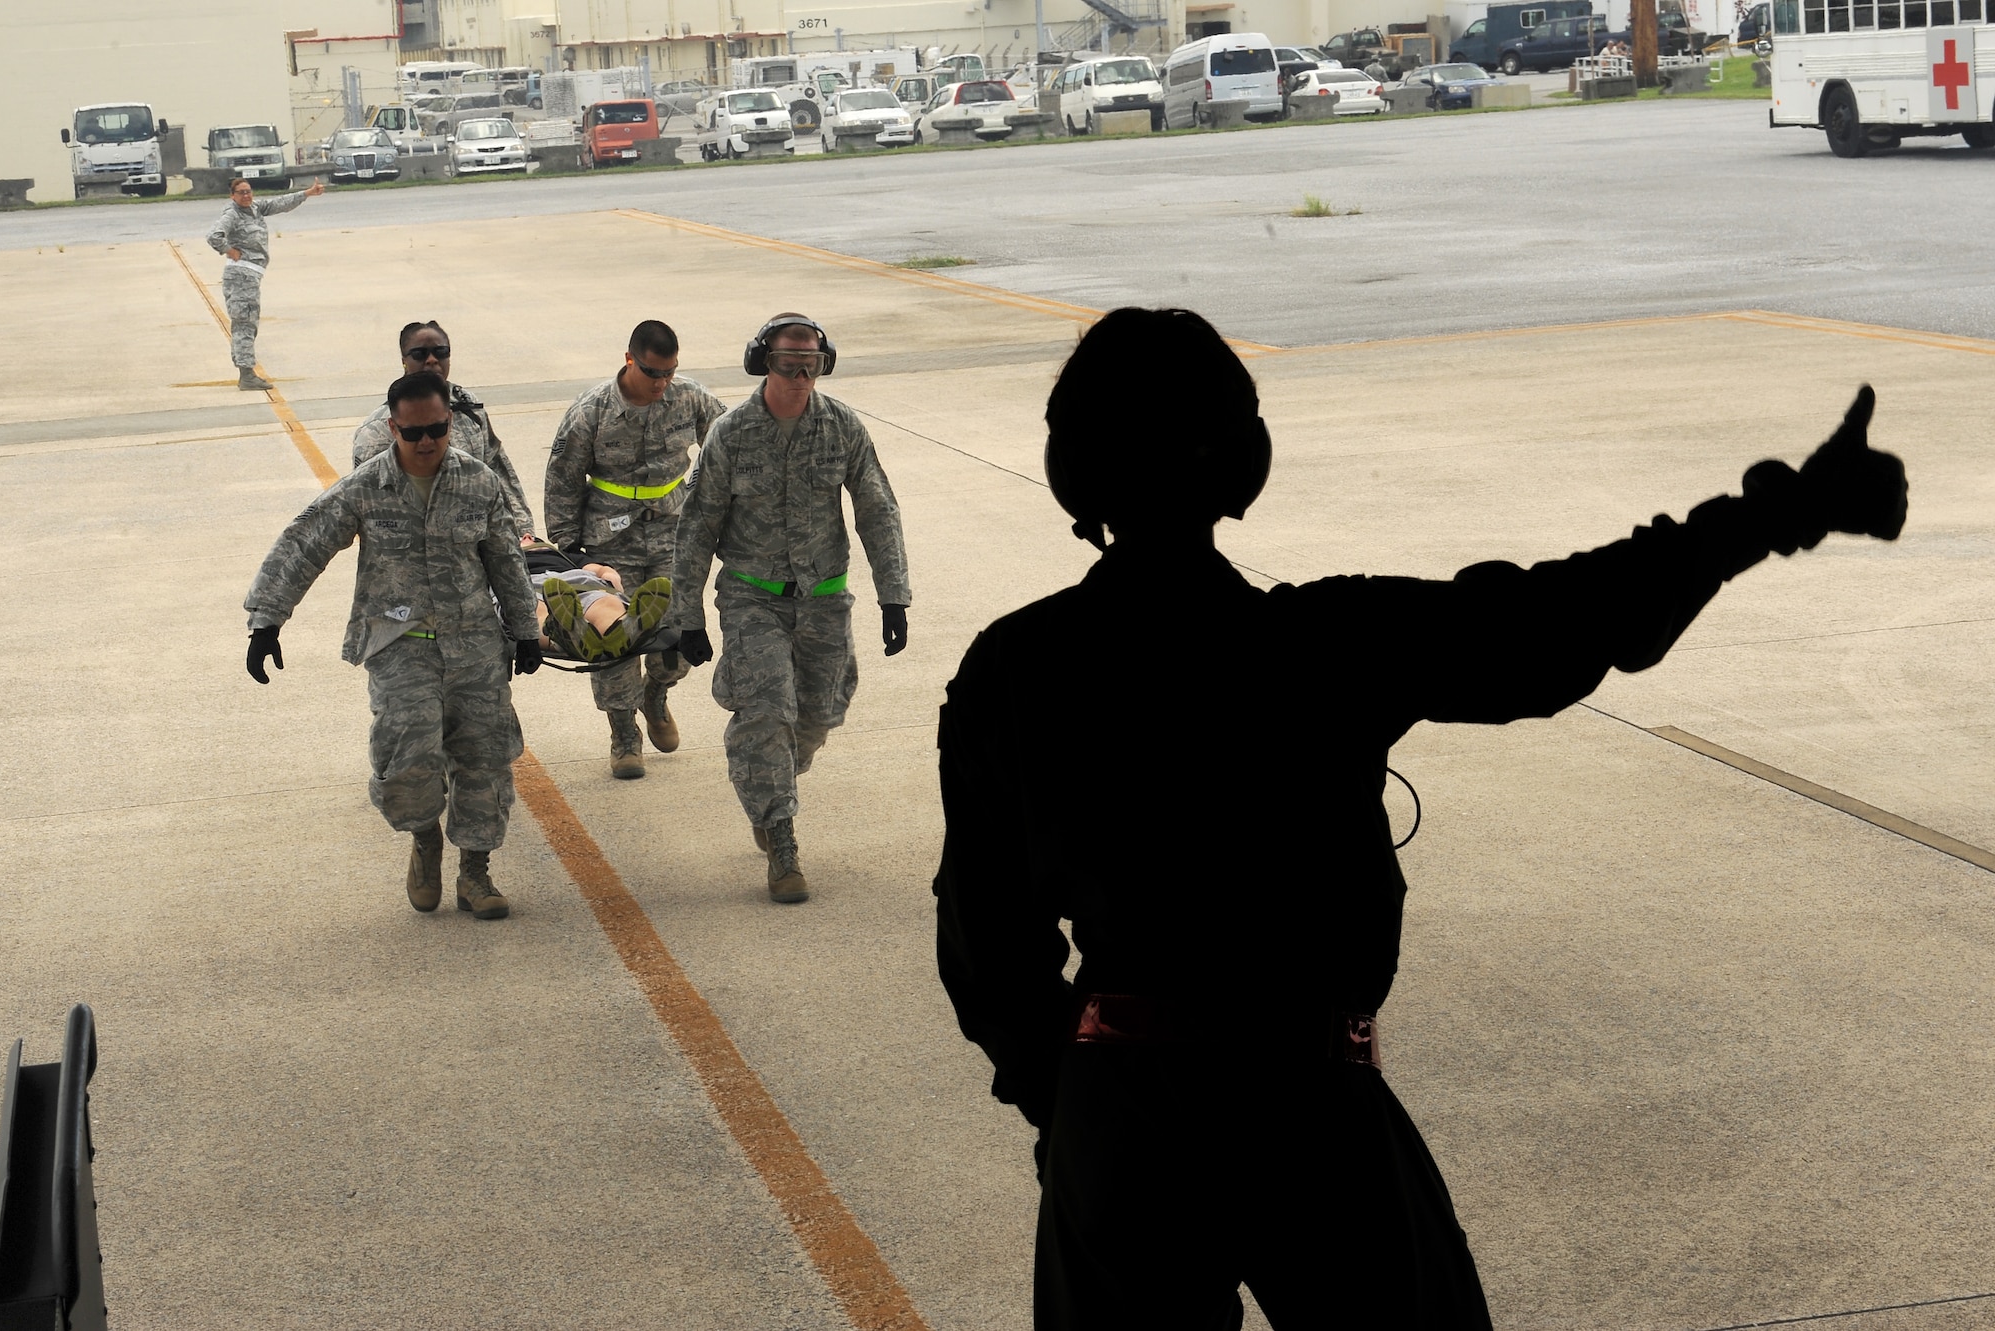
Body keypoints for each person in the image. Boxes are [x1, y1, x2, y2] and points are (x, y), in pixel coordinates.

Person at [930, 307, 1908, 1329]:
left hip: (1117, 1097)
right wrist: (1779, 509)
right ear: (1243, 460)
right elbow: (1559, 618)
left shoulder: (1009, 668)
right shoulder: (1321, 642)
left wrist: (1072, 1102)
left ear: (1071, 471)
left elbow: (982, 943)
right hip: (1306, 1099)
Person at [243, 371, 543, 921]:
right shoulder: (366, 486)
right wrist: (267, 621)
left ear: (450, 423)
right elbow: (307, 540)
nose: (427, 441)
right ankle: (425, 839)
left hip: (475, 646)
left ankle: (476, 872)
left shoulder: (479, 482)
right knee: (407, 762)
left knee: (485, 762)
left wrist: (525, 630)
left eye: (437, 429)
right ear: (392, 428)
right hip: (400, 646)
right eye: (413, 433)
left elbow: (505, 560)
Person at [670, 313, 913, 904]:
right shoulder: (730, 434)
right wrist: (688, 615)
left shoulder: (841, 427)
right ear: (764, 362)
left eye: (812, 364)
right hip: (753, 597)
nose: (801, 375)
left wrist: (894, 595)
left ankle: (770, 780)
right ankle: (781, 840)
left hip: (825, 598)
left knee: (818, 716)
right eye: (788, 363)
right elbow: (697, 525)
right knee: (766, 709)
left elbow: (876, 508)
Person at [544, 320, 727, 779]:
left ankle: (656, 694)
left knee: (679, 637)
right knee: (612, 641)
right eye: (652, 372)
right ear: (629, 360)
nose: (662, 383)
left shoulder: (690, 397)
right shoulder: (592, 411)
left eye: (669, 372)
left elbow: (730, 445)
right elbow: (562, 479)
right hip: (609, 542)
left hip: (673, 531)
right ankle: (624, 732)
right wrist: (572, 550)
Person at [353, 321, 537, 540]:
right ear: (404, 361)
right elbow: (366, 505)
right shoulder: (377, 430)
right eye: (420, 354)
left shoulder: (469, 409)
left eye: (440, 352)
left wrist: (523, 531)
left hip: (476, 541)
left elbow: (498, 471)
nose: (432, 360)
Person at [204, 178, 326, 391]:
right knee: (244, 325)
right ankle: (247, 375)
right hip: (241, 277)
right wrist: (229, 251)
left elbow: (280, 203)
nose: (246, 196)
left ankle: (246, 372)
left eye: (248, 191)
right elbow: (213, 236)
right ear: (232, 195)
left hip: (251, 277)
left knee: (247, 324)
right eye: (241, 193)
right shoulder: (232, 214)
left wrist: (307, 193)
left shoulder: (255, 209)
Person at [520, 539, 674, 662]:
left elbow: (597, 568)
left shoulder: (565, 556)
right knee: (533, 610)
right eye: (520, 537)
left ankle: (622, 631)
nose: (528, 536)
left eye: (534, 538)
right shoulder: (504, 560)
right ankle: (558, 634)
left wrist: (608, 573)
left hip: (580, 582)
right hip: (528, 585)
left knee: (606, 603)